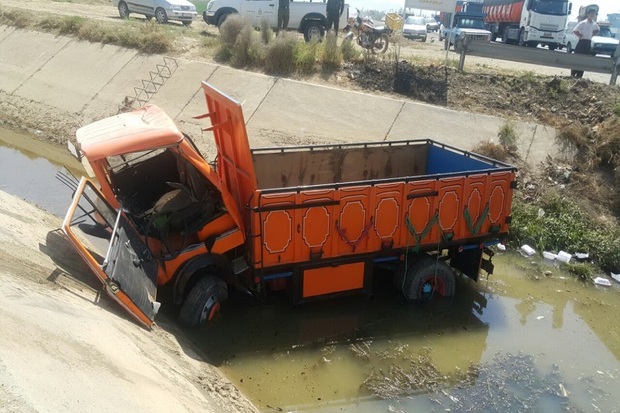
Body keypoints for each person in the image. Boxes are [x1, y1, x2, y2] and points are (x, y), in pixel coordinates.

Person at [570, 9, 600, 78]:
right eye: (591, 14)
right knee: (577, 58)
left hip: (588, 43)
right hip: (582, 42)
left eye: (593, 14)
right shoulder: (583, 23)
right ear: (588, 15)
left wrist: (592, 34)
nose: (592, 15)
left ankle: (579, 76)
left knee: (584, 59)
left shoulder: (594, 24)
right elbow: (574, 30)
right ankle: (573, 74)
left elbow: (598, 29)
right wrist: (580, 35)